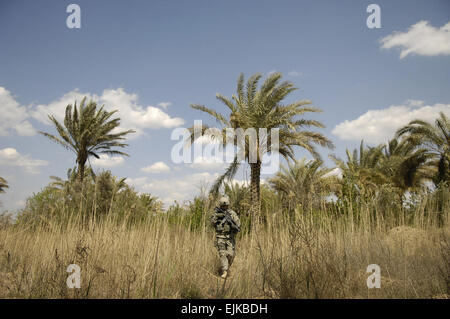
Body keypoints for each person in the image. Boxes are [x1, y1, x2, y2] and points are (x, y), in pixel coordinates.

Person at [210, 196, 241, 279]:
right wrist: (217, 218)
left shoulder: (232, 213)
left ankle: (226, 267)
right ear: (220, 205)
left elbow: (238, 224)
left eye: (226, 206)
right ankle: (224, 271)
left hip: (230, 237)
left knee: (231, 255)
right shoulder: (216, 213)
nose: (224, 207)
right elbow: (212, 222)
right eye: (223, 206)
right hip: (220, 237)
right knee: (222, 254)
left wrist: (232, 224)